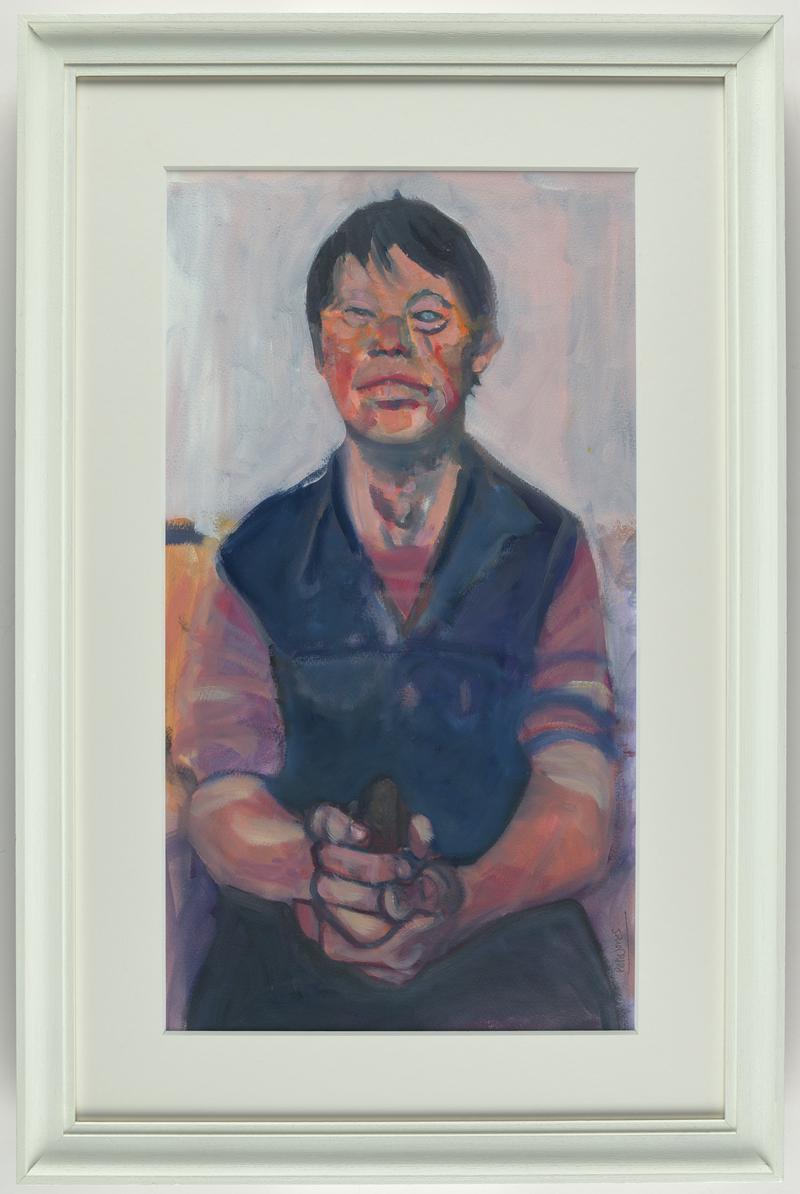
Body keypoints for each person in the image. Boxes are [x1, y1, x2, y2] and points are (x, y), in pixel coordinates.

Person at [171, 193, 621, 1030]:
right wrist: (316, 873)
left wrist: (461, 899)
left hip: (505, 935)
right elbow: (221, 792)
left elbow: (578, 787)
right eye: (356, 317)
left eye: (427, 317)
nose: (389, 344)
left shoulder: (548, 547)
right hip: (292, 942)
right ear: (320, 350)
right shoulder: (255, 557)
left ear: (481, 348)